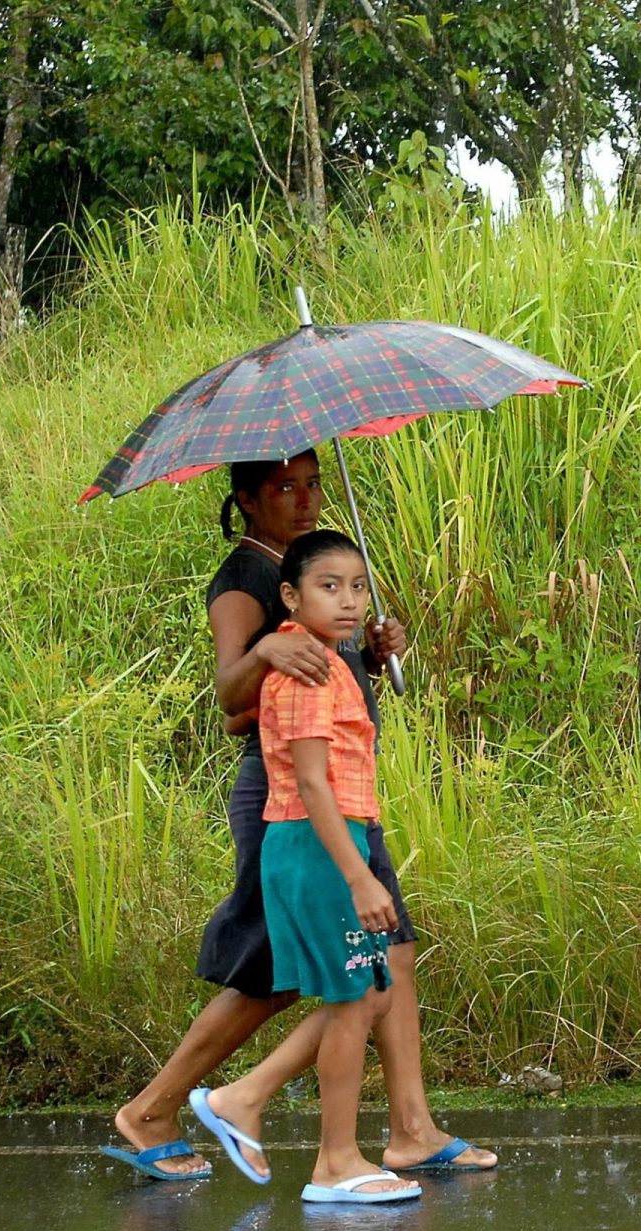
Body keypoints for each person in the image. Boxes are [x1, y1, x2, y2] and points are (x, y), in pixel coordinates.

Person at [100, 452, 496, 1179]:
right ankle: (156, 1106)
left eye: (313, 483)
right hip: (288, 799)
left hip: (335, 795)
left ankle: (410, 1128)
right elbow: (230, 698)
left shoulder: (315, 576)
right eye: (285, 487)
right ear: (247, 499)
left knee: (387, 955)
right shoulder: (247, 581)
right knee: (275, 972)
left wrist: (366, 657)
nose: (306, 499)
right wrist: (276, 648)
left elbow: (314, 679)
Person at [189, 529, 418, 1203]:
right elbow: (313, 784)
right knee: (354, 1000)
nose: (349, 602)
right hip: (320, 847)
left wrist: (373, 658)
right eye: (329, 587)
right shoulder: (308, 669)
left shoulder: (328, 657)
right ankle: (335, 1163)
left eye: (357, 587)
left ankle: (244, 1096)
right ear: (289, 595)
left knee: (369, 991)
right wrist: (358, 872)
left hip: (326, 840)